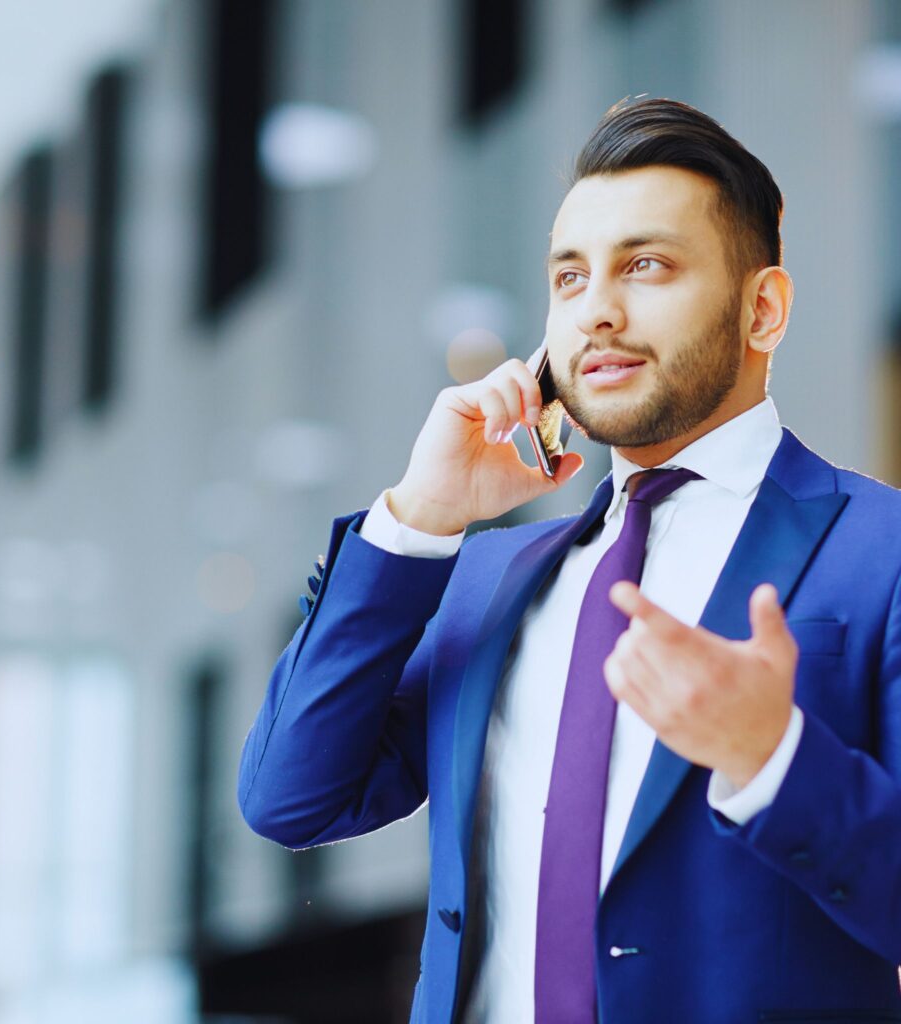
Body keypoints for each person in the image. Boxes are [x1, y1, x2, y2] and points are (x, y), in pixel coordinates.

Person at [237, 97, 901, 1023]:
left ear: (763, 308)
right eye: (569, 278)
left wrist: (774, 760)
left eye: (647, 266)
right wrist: (419, 521)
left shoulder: (883, 552)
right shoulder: (495, 577)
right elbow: (290, 797)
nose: (596, 311)